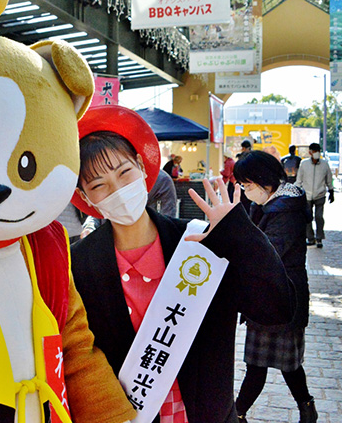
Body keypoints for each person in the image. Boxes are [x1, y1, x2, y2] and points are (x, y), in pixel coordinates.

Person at [69, 106, 295, 423]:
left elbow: (276, 309)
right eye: (99, 185)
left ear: (141, 166)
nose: (117, 191)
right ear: (85, 197)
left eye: (124, 173)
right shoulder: (77, 264)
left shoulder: (200, 244)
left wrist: (239, 235)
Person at [233, 151, 316, 423]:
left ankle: (237, 413)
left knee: (285, 364)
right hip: (267, 297)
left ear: (263, 180)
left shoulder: (285, 210)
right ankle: (240, 413)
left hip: (281, 297)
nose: (246, 191)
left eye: (247, 185)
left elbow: (268, 252)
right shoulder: (270, 202)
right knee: (262, 364)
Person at [295, 143, 334, 248]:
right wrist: (296, 191)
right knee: (308, 218)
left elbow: (329, 179)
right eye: (314, 151)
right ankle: (310, 238)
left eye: (318, 151)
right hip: (307, 195)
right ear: (310, 152)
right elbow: (299, 180)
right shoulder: (304, 164)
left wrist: (331, 191)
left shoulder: (324, 164)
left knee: (319, 217)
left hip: (320, 194)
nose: (316, 153)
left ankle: (319, 238)